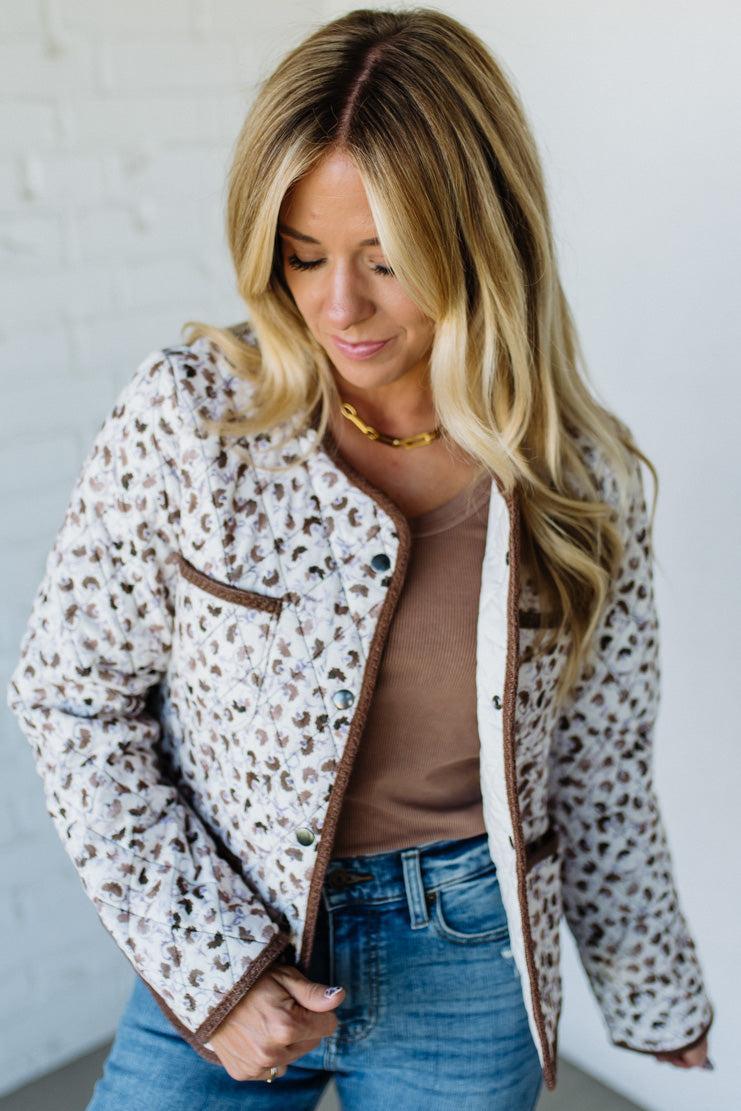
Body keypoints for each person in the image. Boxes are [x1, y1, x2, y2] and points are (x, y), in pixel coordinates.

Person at [6, 7, 714, 1109]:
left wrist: (656, 996)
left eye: (388, 262)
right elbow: (71, 697)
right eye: (304, 256)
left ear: (484, 241)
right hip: (231, 924)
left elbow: (600, 764)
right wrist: (217, 971)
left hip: (469, 961)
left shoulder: (581, 481)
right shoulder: (192, 421)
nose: (340, 306)